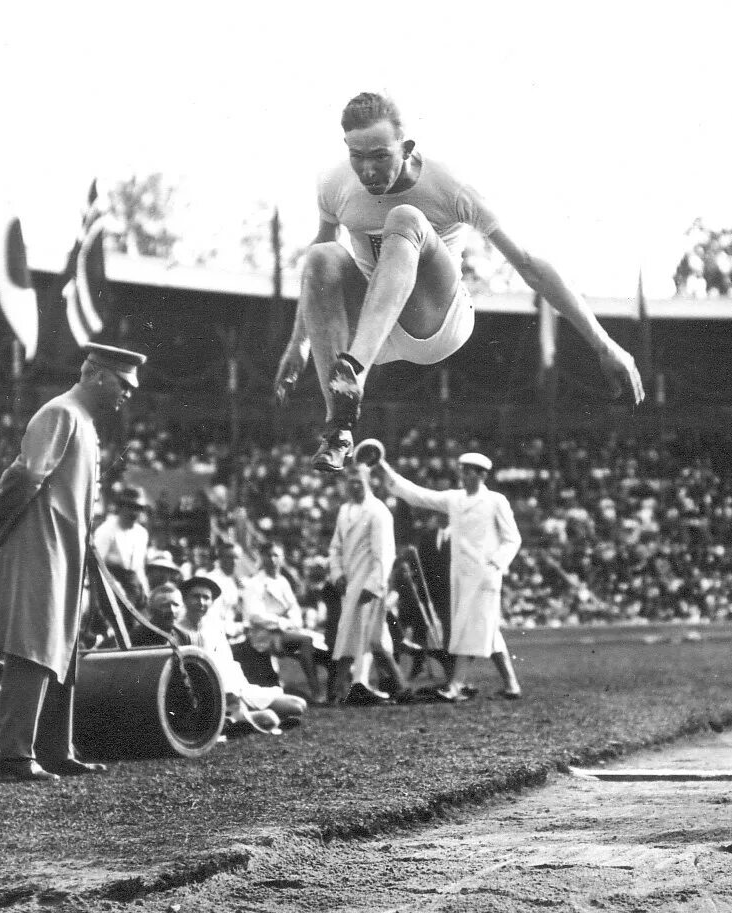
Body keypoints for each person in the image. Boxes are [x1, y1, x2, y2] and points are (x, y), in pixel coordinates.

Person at [272, 91, 645, 472]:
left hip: (436, 320)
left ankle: (354, 372)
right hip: (374, 320)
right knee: (320, 254)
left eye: (381, 156)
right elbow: (320, 273)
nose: (367, 171)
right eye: (357, 156)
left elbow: (528, 265)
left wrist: (605, 344)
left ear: (406, 147)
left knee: (406, 218)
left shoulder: (447, 183)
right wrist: (299, 342)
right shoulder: (334, 183)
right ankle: (340, 430)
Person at [0, 342, 146, 781]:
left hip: (67, 549)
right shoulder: (60, 413)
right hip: (41, 545)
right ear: (95, 375)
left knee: (64, 647)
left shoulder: (83, 421)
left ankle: (56, 749)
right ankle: (14, 752)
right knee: (34, 644)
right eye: (122, 384)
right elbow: (24, 476)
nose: (127, 394)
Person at [379, 450, 523, 699]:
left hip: (485, 576)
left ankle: (455, 684)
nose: (463, 476)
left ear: (482, 475)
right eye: (462, 470)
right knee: (485, 629)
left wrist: (495, 564)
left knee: (469, 628)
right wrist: (383, 468)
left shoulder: (496, 501)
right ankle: (511, 684)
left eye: (468, 472)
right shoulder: (454, 499)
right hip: (461, 578)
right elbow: (418, 495)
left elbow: (513, 539)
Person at [175, 573, 306, 734]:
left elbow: (229, 664)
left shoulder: (213, 627)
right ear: (185, 599)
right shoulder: (178, 630)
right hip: (209, 694)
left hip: (235, 688)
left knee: (298, 705)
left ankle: (244, 717)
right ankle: (245, 719)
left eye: (206, 598)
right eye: (195, 597)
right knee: (271, 717)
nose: (201, 602)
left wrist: (239, 692)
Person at [327, 461, 402, 704]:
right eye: (350, 481)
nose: (354, 486)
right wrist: (337, 574)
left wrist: (374, 585)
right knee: (368, 637)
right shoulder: (344, 511)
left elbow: (385, 553)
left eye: (358, 481)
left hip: (369, 585)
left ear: (368, 481)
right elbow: (335, 547)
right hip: (349, 583)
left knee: (361, 636)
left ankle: (357, 685)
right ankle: (398, 687)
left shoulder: (378, 511)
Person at [242, 541, 327, 702]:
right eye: (269, 555)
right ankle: (316, 691)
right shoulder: (255, 583)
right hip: (263, 634)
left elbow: (293, 608)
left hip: (285, 631)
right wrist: (282, 622)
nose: (273, 560)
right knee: (306, 641)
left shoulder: (282, 581)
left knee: (320, 642)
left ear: (281, 558)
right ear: (262, 558)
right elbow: (255, 615)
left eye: (276, 555)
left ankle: (332, 688)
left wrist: (293, 621)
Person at [93, 485, 151, 608]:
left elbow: (139, 568)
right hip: (108, 584)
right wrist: (115, 589)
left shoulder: (141, 533)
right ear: (121, 506)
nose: (134, 512)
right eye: (130, 507)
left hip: (133, 586)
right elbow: (96, 565)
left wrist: (145, 591)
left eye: (139, 508)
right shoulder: (107, 530)